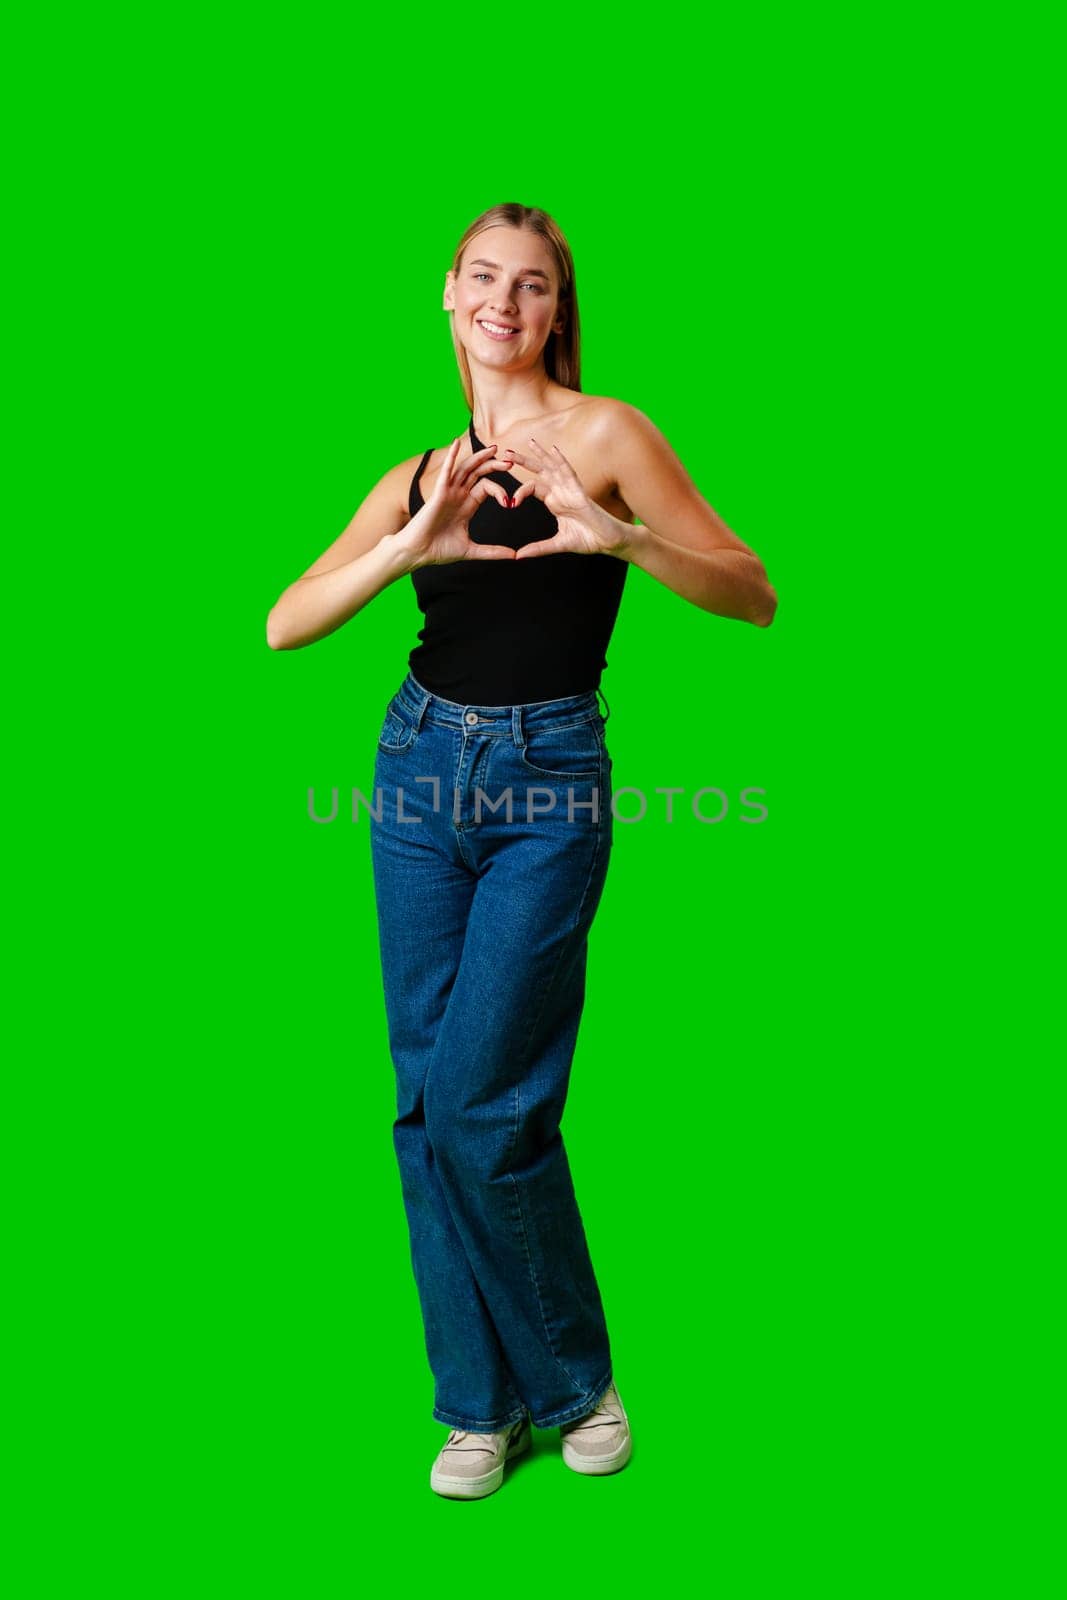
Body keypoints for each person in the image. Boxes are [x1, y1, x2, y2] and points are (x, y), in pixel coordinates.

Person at [266, 202, 778, 1499]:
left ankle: (574, 1381)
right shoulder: (421, 471)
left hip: (549, 779)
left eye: (533, 285)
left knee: (489, 1100)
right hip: (415, 771)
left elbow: (752, 590)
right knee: (424, 1101)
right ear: (446, 296)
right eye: (484, 279)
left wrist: (623, 540)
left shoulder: (610, 434)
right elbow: (284, 623)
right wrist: (400, 550)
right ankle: (475, 1409)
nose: (505, 301)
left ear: (558, 309)